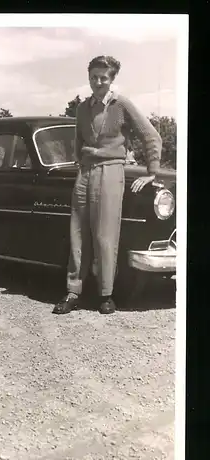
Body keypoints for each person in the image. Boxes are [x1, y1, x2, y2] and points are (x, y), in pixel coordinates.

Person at [53, 55, 162, 315]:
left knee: (105, 235)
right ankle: (73, 291)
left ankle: (106, 295)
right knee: (77, 233)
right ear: (88, 77)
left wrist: (152, 172)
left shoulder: (121, 104)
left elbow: (151, 135)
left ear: (112, 79)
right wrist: (82, 163)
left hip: (111, 171)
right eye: (94, 77)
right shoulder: (82, 108)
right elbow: (78, 142)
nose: (98, 82)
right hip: (85, 173)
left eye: (104, 77)